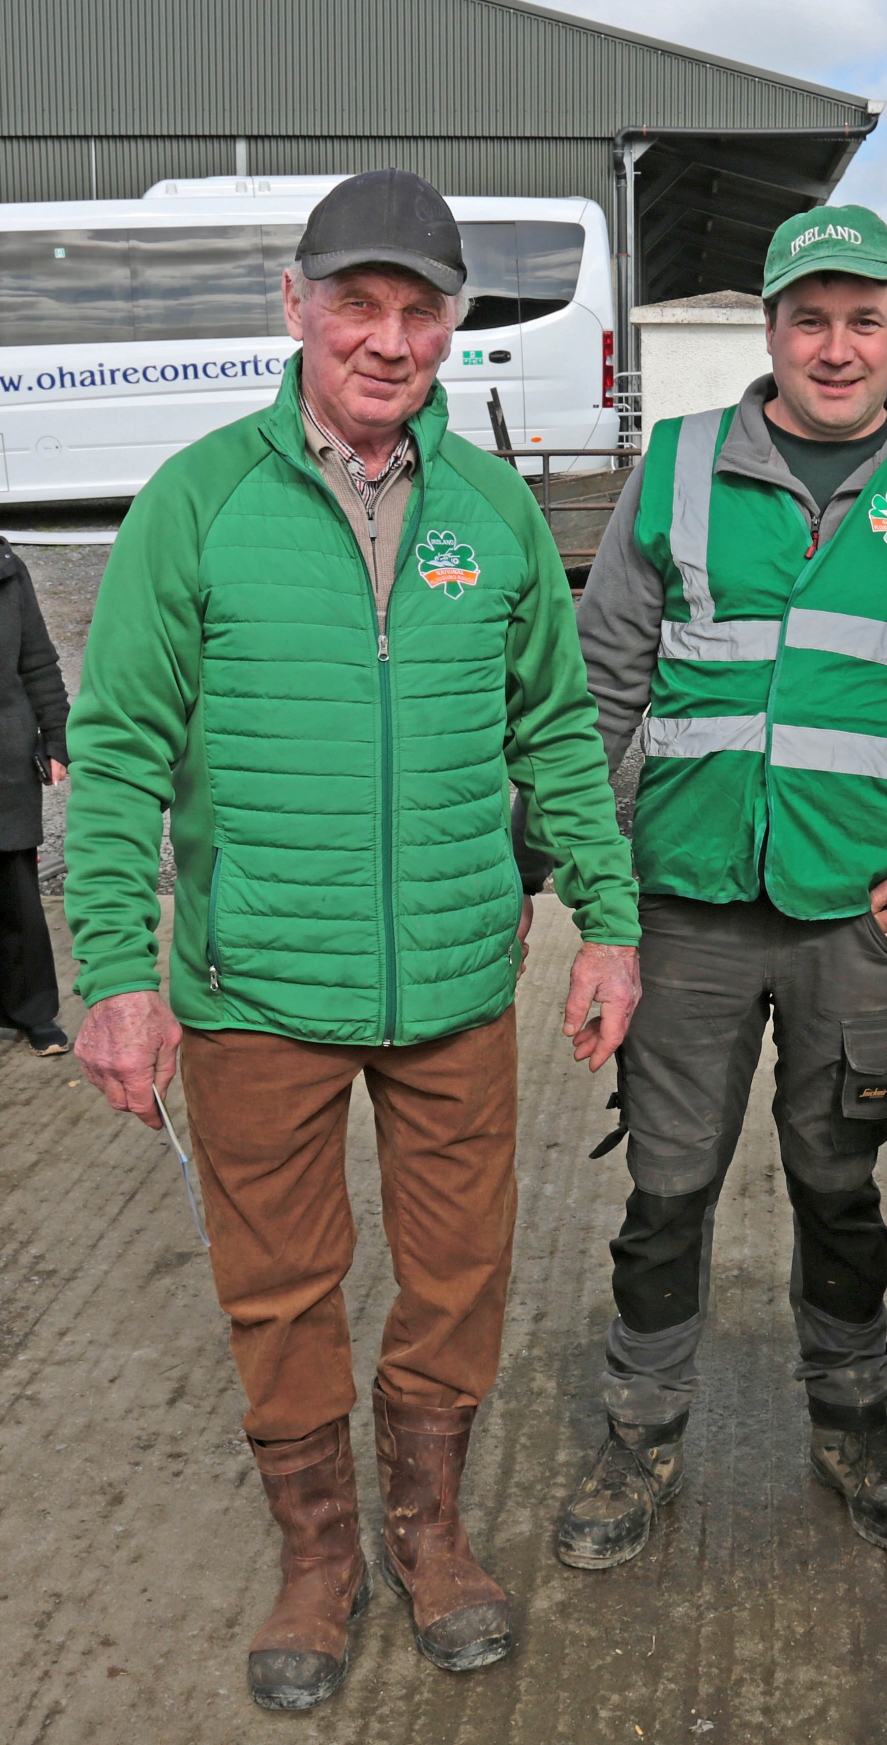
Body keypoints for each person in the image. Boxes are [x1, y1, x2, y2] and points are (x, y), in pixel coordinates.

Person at [63, 169, 641, 1711]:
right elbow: (116, 752)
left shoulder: (494, 511)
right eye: (357, 305)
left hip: (452, 979)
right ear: (297, 308)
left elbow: (557, 732)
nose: (389, 339)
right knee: (279, 1284)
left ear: (455, 324)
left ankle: (429, 1533)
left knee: (460, 1274)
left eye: (420, 310)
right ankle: (320, 1557)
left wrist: (609, 923)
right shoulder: (199, 501)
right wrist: (117, 974)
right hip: (254, 986)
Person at [543, 203, 887, 1571]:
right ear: (770, 329)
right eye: (810, 319)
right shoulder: (678, 469)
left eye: (865, 318)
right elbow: (598, 693)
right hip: (686, 912)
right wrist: (604, 904)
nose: (837, 346)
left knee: (838, 1181)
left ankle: (855, 1418)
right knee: (668, 1189)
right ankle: (641, 1426)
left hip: (857, 926)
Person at [0, 537, 70, 1055]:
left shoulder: (6, 568)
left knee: (15, 893)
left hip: (5, 757)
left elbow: (37, 660)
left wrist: (57, 737)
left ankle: (33, 1011)